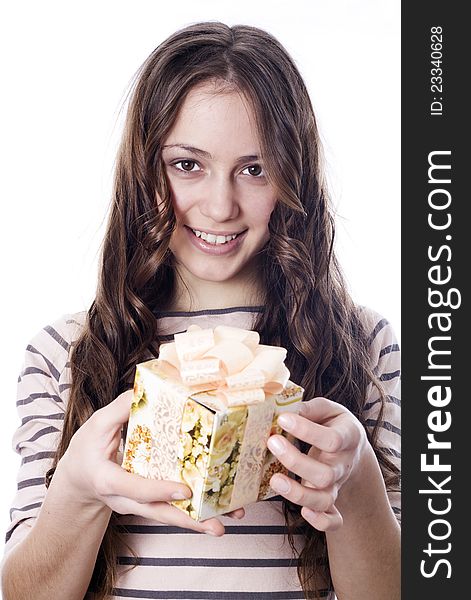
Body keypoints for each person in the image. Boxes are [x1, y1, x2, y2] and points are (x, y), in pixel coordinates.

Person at [0, 21, 400, 600]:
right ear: (144, 170)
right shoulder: (66, 352)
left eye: (255, 168)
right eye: (187, 164)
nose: (219, 205)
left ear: (295, 177)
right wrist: (78, 493)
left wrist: (357, 478)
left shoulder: (363, 344)